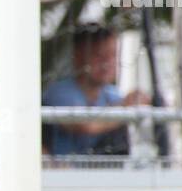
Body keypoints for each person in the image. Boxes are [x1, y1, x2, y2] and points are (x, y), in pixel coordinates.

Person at [42, 24, 150, 156]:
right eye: (99, 56)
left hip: (104, 171)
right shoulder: (60, 92)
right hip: (65, 172)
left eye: (113, 55)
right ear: (78, 56)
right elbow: (86, 125)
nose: (107, 63)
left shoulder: (112, 94)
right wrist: (125, 106)